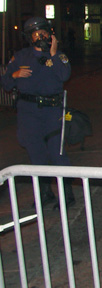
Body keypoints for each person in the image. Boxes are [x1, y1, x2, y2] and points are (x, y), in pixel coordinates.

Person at [1, 17, 74, 208]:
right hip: (28, 113)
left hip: (52, 112)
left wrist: (53, 53)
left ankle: (66, 195)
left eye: (43, 33)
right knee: (36, 155)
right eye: (36, 34)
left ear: (50, 34)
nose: (40, 37)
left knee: (57, 154)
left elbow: (64, 75)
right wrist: (14, 75)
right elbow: (6, 83)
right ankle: (44, 193)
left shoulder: (59, 56)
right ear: (29, 37)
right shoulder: (21, 56)